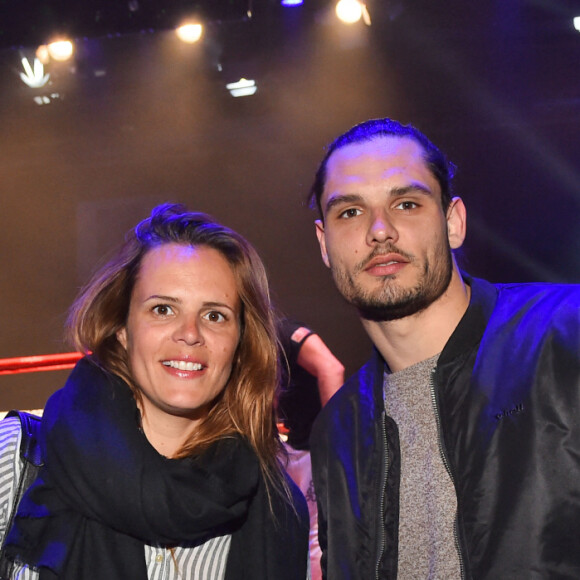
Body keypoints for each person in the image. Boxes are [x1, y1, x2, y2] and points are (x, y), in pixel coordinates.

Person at [307, 118, 580, 579]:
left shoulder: (564, 337)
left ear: (453, 222)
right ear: (324, 244)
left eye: (407, 203)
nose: (379, 230)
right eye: (350, 212)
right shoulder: (338, 430)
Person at [0, 203, 309, 579]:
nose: (190, 334)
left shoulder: (279, 510)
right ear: (122, 329)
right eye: (163, 309)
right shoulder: (18, 457)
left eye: (215, 315)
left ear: (240, 343)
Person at [276, 317, 345, 580]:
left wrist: (335, 440)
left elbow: (331, 368)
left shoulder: (286, 332)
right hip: (282, 447)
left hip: (309, 449)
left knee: (315, 530)